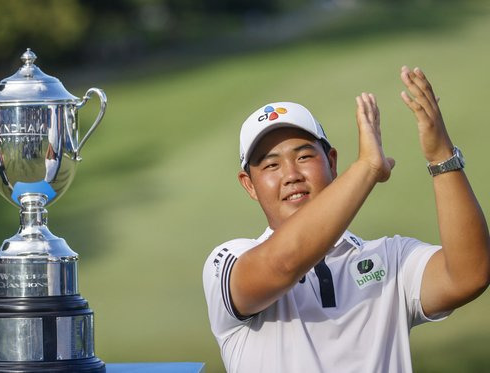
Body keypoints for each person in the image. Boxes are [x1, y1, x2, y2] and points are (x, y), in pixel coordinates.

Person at [202, 66, 490, 373]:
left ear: (332, 162)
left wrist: (441, 158)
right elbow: (281, 264)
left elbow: (469, 275)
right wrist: (366, 168)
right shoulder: (228, 261)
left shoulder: (389, 259)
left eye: (304, 157)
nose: (291, 175)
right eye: (271, 166)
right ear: (249, 185)